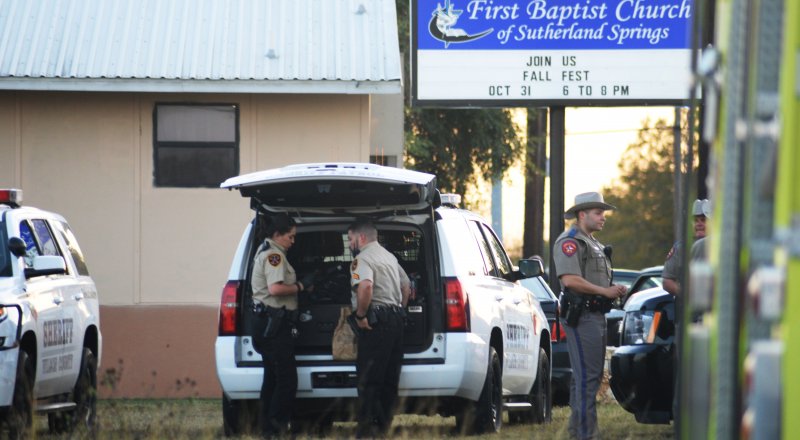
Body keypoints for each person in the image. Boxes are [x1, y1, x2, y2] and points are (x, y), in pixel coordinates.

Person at [553, 192, 627, 440]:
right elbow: (570, 280)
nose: (602, 217)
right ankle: (586, 434)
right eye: (598, 212)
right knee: (588, 376)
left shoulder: (591, 241)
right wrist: (604, 291)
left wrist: (611, 291)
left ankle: (578, 432)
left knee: (586, 376)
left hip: (595, 314)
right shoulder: (571, 241)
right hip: (582, 316)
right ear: (582, 214)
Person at [250, 213, 313, 438]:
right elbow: (275, 289)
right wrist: (301, 286)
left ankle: (267, 427)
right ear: (277, 234)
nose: (293, 241)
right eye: (291, 237)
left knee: (272, 378)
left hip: (267, 323)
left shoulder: (266, 250)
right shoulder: (274, 255)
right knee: (286, 380)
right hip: (274, 325)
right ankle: (275, 428)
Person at [347, 218, 410, 438]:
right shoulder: (390, 257)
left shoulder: (360, 260)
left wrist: (361, 315)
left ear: (361, 237)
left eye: (350, 238)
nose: (349, 244)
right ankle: (384, 426)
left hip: (376, 322)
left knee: (369, 377)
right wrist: (399, 309)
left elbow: (365, 286)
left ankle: (366, 430)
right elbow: (406, 286)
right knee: (389, 378)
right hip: (395, 321)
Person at [662, 199, 711, 296]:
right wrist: (687, 295)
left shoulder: (721, 244)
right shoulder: (680, 247)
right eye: (695, 220)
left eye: (703, 220)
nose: (699, 224)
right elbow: (667, 281)